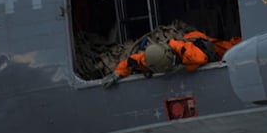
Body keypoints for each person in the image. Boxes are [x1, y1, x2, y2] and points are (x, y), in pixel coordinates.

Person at [102, 31, 241, 88]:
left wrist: (183, 67)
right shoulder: (152, 58)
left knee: (234, 48)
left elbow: (201, 58)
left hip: (205, 47)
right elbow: (131, 62)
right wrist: (117, 74)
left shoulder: (192, 54)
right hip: (181, 45)